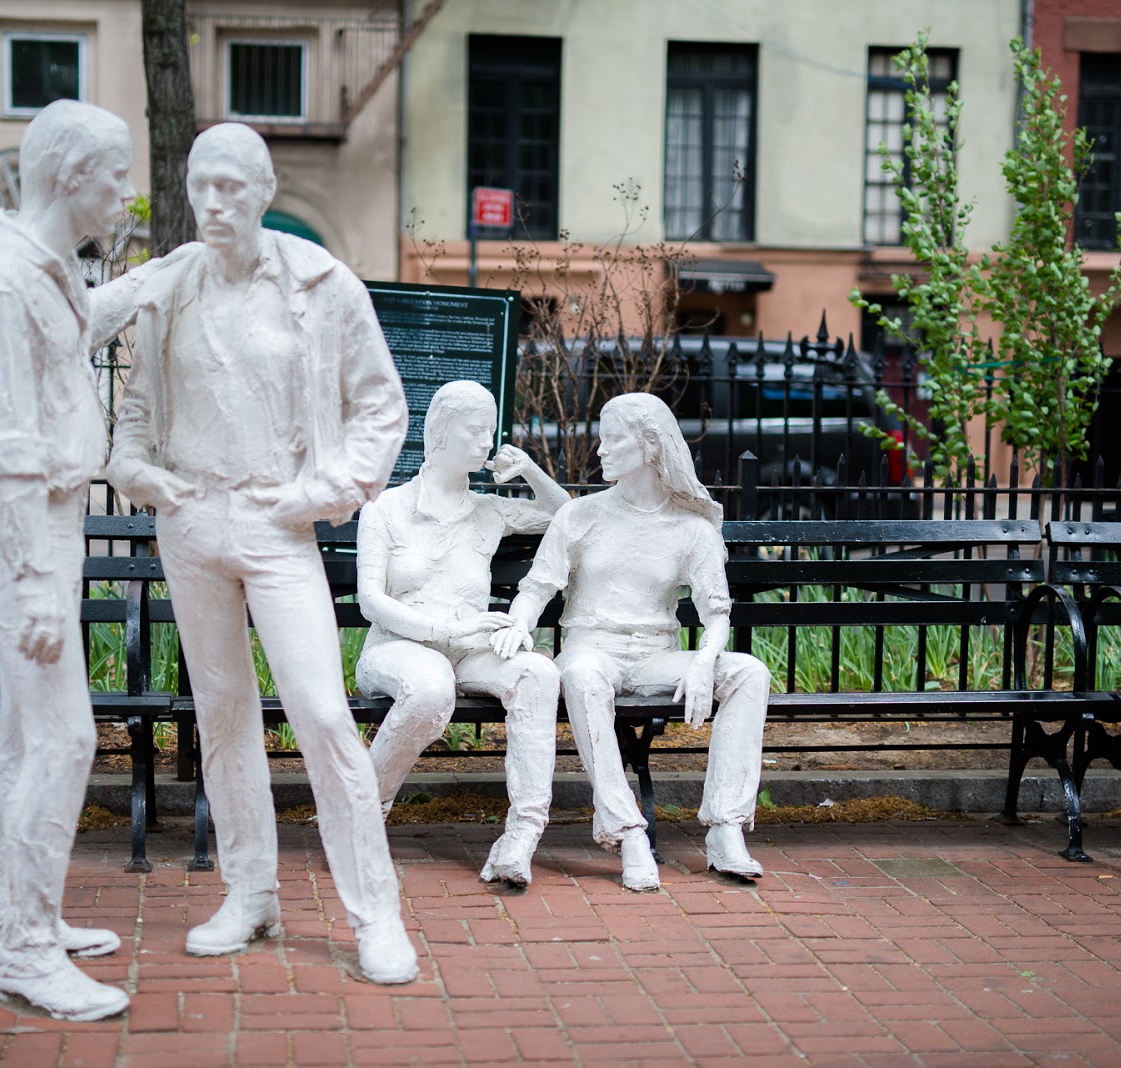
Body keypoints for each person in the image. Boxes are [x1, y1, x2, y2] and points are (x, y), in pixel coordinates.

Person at [107, 123, 417, 984]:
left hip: (279, 523)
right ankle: (250, 894)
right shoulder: (170, 288)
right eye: (200, 185)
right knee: (224, 717)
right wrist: (138, 472)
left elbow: (381, 408)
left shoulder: (322, 284)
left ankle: (376, 912)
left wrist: (326, 492)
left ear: (264, 189)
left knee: (319, 711)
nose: (212, 203)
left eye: (230, 187)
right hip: (192, 522)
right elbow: (136, 412)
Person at [0, 99, 154, 1020]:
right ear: (70, 175)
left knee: (21, 736)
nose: (126, 192)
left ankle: (8, 921)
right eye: (115, 174)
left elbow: (76, 332)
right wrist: (35, 583)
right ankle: (27, 952)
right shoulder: (0, 284)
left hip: (43, 524)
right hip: (21, 526)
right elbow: (5, 448)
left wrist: (162, 277)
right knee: (66, 737)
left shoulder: (47, 270)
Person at [490, 392, 769, 891]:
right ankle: (627, 831)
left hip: (655, 656)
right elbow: (537, 588)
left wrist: (706, 660)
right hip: (591, 649)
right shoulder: (581, 516)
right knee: (578, 673)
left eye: (612, 439)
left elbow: (716, 614)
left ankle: (726, 827)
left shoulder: (691, 529)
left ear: (649, 446)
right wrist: (517, 625)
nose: (600, 450)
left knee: (748, 671)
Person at [355, 381, 569, 887]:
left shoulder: (489, 510)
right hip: (398, 649)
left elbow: (568, 519)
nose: (486, 441)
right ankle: (360, 815)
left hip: (471, 651)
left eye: (489, 430)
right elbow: (371, 602)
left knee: (537, 672)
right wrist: (448, 626)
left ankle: (520, 836)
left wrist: (531, 472)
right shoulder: (386, 510)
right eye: (475, 430)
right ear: (441, 433)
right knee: (431, 688)